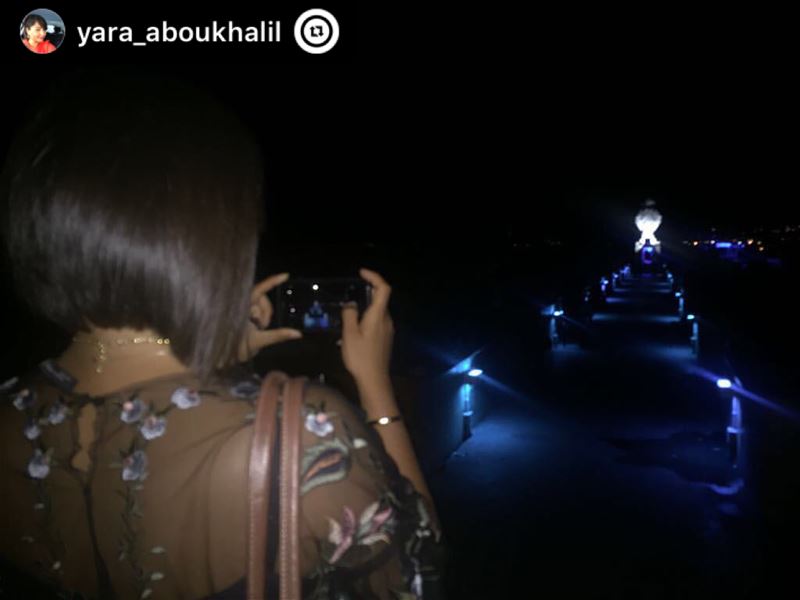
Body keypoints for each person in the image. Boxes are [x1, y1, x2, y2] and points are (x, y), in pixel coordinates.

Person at [0, 69, 444, 599]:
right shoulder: (303, 432)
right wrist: (375, 383)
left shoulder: (9, 409)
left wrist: (212, 354)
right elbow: (421, 573)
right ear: (212, 240)